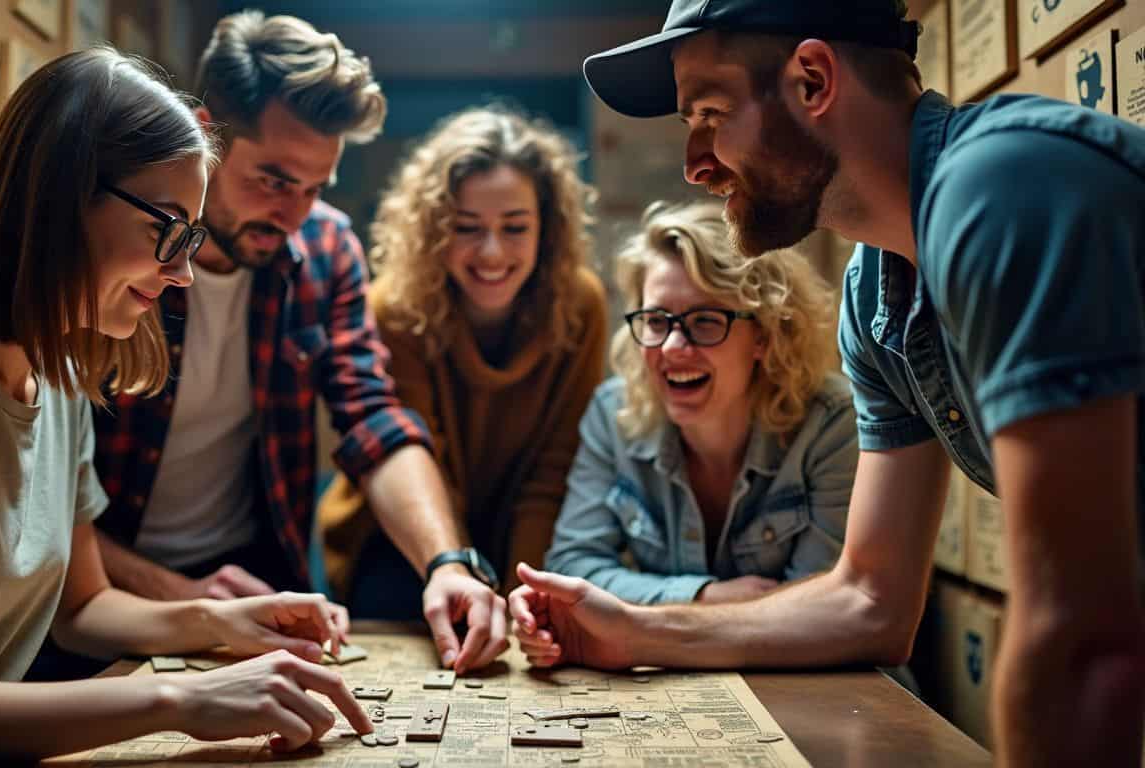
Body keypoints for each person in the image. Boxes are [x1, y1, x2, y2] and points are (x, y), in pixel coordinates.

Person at [509, 1, 1145, 765]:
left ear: (812, 80)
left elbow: (1083, 645)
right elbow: (868, 600)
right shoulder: (875, 292)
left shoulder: (1002, 190)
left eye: (710, 113)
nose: (695, 164)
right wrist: (632, 630)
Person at [0, 48, 371, 765]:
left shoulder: (59, 365)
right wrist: (178, 700)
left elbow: (81, 610)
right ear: (60, 198)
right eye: (166, 228)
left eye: (190, 238)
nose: (183, 271)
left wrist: (220, 620)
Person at [89, 11, 507, 675]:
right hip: (98, 590)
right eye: (274, 180)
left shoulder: (327, 246)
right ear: (204, 139)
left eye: (316, 188)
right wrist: (187, 604)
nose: (294, 216)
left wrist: (447, 563)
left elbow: (371, 418)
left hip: (252, 579)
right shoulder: (121, 250)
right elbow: (42, 503)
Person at [317, 107, 608, 613]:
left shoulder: (581, 305)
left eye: (515, 227)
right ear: (433, 229)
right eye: (467, 227)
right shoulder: (393, 307)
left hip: (520, 534)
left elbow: (554, 469)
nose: (492, 253)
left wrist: (524, 591)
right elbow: (425, 469)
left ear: (549, 229)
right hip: (401, 539)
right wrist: (462, 574)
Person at [545, 200, 854, 605]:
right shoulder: (613, 414)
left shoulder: (832, 424)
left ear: (764, 334)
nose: (673, 347)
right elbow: (571, 567)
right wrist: (706, 597)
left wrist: (644, 614)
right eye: (656, 321)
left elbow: (822, 610)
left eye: (705, 321)